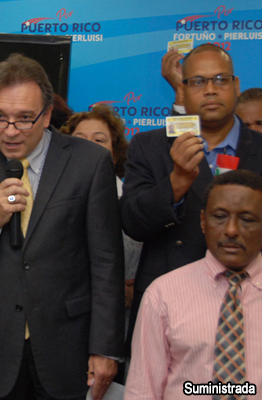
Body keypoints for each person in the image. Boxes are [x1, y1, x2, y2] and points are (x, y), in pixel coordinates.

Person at [0, 54, 124, 400]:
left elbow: (106, 262)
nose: (10, 131)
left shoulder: (89, 163)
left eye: (24, 118)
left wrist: (105, 348)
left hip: (66, 346)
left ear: (47, 115)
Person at [121, 43, 262, 352]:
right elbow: (132, 222)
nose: (210, 89)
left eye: (220, 79)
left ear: (236, 85)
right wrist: (177, 182)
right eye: (198, 81)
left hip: (251, 309)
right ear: (182, 90)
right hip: (171, 310)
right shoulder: (149, 146)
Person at [125, 170, 262, 399]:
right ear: (203, 221)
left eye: (247, 219)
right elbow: (142, 390)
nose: (231, 230)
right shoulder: (163, 295)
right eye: (219, 216)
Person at [61, 105, 141, 332]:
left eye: (99, 140)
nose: (89, 147)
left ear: (115, 154)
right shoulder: (48, 200)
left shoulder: (131, 202)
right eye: (80, 139)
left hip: (122, 320)